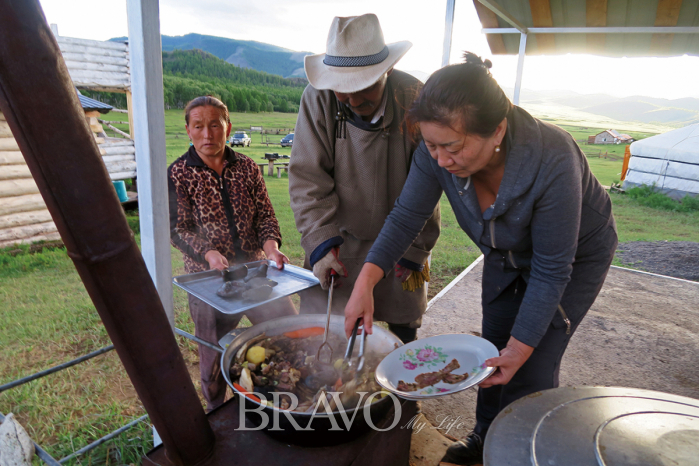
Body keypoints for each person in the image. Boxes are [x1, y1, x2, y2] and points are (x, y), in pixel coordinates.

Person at [344, 53, 618, 465]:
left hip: (573, 259)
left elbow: (550, 270)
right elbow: (405, 217)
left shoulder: (552, 157)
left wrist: (520, 349)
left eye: (451, 147)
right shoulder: (436, 151)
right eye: (431, 145)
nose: (440, 159)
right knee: (490, 354)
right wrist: (364, 283)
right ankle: (485, 439)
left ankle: (526, 451)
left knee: (531, 363)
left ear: (498, 130)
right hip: (505, 254)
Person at [288, 14, 440, 343]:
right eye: (343, 90)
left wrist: (415, 249)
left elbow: (428, 183)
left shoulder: (415, 98)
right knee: (327, 332)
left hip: (403, 238)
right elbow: (307, 179)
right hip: (339, 240)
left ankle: (403, 395)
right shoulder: (317, 99)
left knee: (404, 328)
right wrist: (321, 244)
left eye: (363, 86)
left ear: (386, 71)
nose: (354, 100)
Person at [168, 96, 296, 411]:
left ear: (228, 127)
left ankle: (287, 396)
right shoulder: (179, 173)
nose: (208, 134)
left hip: (256, 274)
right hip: (208, 283)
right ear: (188, 130)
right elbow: (178, 229)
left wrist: (271, 246)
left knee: (290, 332)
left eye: (215, 125)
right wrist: (209, 253)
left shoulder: (248, 168)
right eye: (199, 126)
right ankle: (216, 414)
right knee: (212, 359)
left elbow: (265, 216)